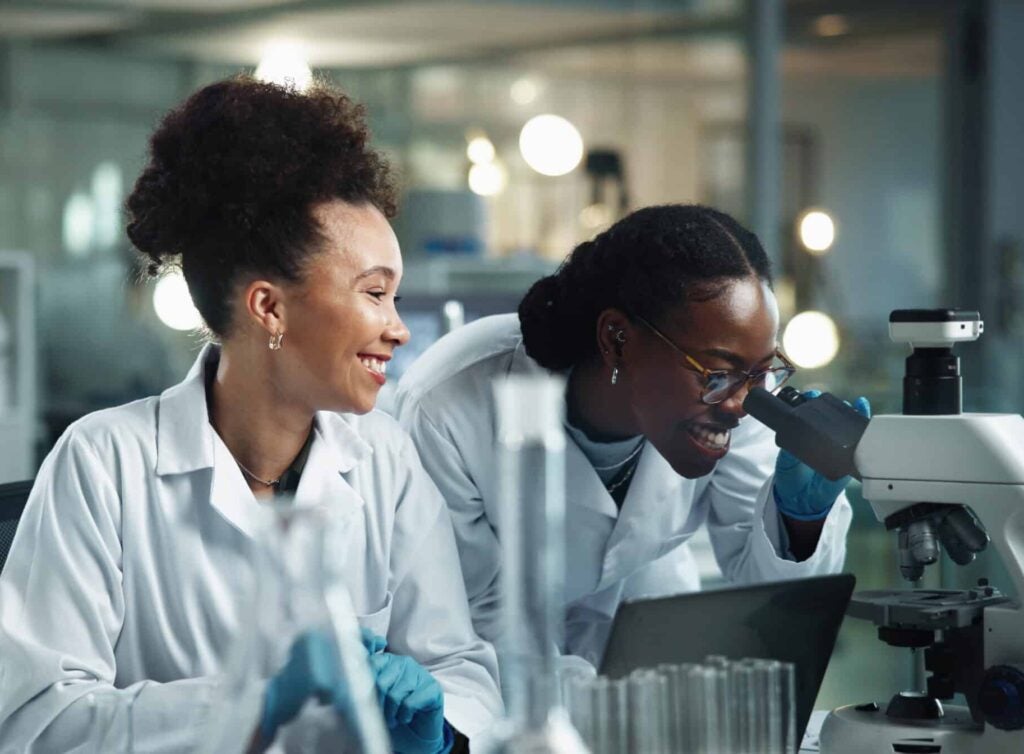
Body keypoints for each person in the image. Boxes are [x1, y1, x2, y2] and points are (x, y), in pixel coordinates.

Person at [0, 77, 501, 753]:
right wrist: (253, 703)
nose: (397, 328)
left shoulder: (383, 456)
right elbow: (37, 722)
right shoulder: (103, 462)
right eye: (375, 294)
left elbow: (459, 667)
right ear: (269, 307)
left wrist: (439, 729)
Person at [393, 204, 868, 666]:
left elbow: (775, 597)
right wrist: (604, 707)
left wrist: (798, 518)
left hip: (645, 621)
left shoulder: (736, 398)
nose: (742, 405)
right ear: (617, 337)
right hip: (502, 672)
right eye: (718, 373)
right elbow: (467, 625)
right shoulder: (451, 406)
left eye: (762, 372)